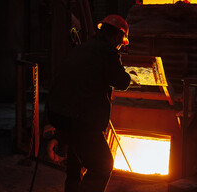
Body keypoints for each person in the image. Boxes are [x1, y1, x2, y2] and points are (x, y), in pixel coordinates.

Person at [45, 15, 132, 192]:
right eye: (121, 43)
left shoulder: (83, 48)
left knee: (75, 167)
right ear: (117, 37)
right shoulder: (107, 53)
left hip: (61, 114)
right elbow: (122, 81)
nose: (120, 46)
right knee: (102, 167)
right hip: (80, 119)